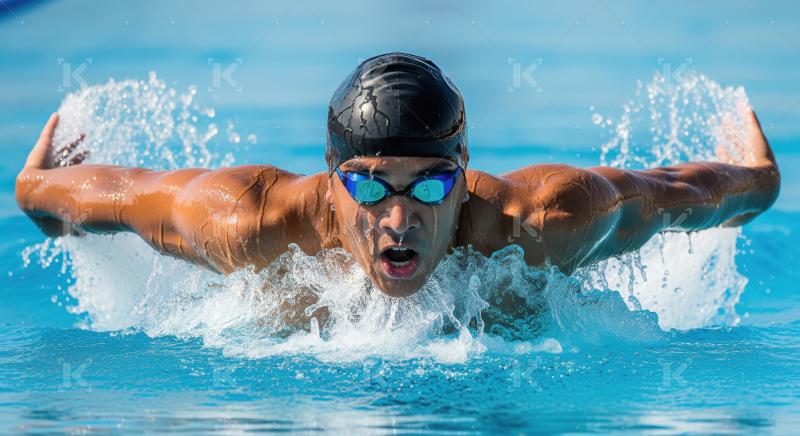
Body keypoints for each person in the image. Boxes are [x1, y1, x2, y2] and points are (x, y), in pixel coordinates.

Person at [15, 53, 780, 298]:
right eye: (371, 186)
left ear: (465, 175)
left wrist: (757, 185)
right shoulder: (249, 222)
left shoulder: (544, 221)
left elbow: (674, 196)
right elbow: (120, 196)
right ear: (331, 176)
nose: (399, 218)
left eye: (432, 186)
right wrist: (42, 195)